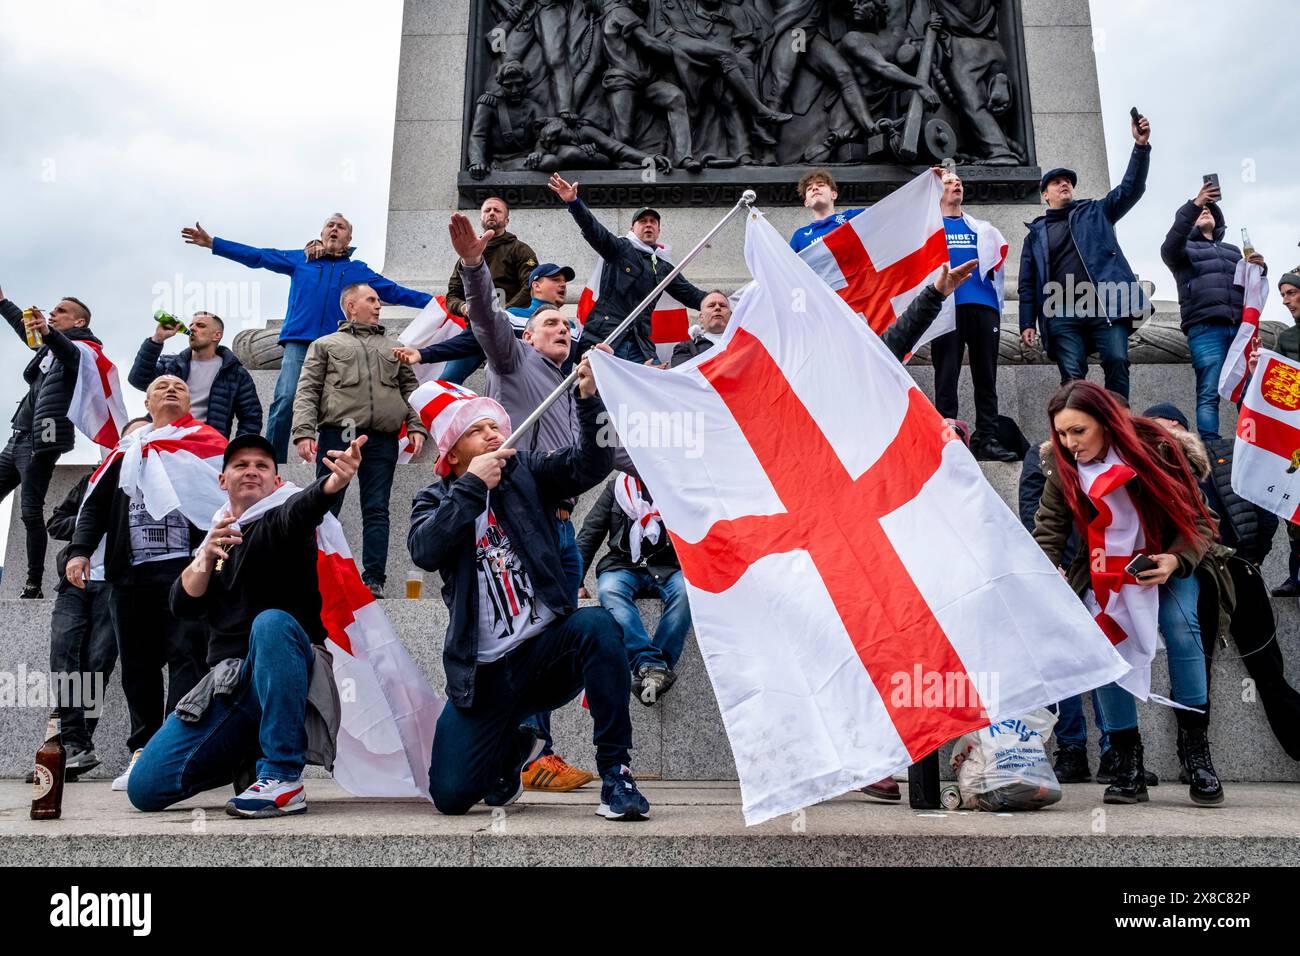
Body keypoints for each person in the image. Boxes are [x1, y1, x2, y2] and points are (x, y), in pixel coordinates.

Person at [408, 366, 651, 821]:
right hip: (484, 675)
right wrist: (472, 487)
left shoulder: (527, 472)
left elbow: (590, 465)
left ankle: (616, 772)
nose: (492, 433)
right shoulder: (434, 499)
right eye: (476, 430)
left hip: (544, 652)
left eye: (493, 426)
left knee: (598, 623)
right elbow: (426, 549)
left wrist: (588, 400)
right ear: (454, 453)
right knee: (451, 797)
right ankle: (515, 746)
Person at [127, 433, 365, 818]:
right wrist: (205, 556)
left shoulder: (281, 521)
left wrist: (331, 484)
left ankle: (283, 775)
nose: (251, 471)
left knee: (271, 624)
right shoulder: (218, 537)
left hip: (285, 672)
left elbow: (301, 510)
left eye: (262, 466)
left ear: (275, 480)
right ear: (223, 480)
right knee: (144, 789)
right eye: (241, 465)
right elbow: (182, 605)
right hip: (230, 687)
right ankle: (244, 756)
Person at [446, 213, 597, 793]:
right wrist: (473, 267)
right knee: (530, 637)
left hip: (564, 530)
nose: (561, 328)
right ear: (529, 334)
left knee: (560, 639)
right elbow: (485, 321)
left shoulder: (575, 386)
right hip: (519, 528)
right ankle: (531, 751)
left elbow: (607, 455)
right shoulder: (512, 365)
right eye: (550, 321)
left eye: (567, 324)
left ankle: (525, 746)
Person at [1032, 381, 1233, 806]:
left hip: (1170, 559)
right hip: (1103, 571)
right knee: (1105, 643)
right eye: (1063, 434)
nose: (1070, 444)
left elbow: (1201, 520)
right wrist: (1048, 569)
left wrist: (1174, 562)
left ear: (1106, 423)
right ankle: (1127, 763)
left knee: (1182, 628)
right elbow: (1049, 528)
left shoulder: (1157, 449)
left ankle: (1196, 754)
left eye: (1079, 432)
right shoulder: (1062, 466)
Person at [66, 376, 222, 792]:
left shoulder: (209, 445)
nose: (171, 389)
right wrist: (80, 550)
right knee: (137, 666)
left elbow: (225, 504)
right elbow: (94, 506)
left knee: (188, 659)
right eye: (161, 385)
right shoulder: (126, 451)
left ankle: (177, 748)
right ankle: (144, 749)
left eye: (179, 386)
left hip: (187, 573)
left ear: (191, 402)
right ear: (148, 401)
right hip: (129, 576)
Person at [181, 213, 432, 462]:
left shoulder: (358, 271)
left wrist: (441, 304)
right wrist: (214, 243)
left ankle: (331, 459)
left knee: (335, 406)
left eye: (341, 227)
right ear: (322, 234)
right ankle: (274, 461)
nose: (334, 229)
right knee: (286, 398)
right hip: (299, 342)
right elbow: (259, 256)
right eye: (330, 225)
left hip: (338, 347)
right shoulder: (301, 259)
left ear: (349, 237)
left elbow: (397, 293)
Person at [25, 416, 152, 784]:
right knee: (63, 652)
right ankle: (75, 743)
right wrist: (90, 525)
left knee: (98, 662)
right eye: (127, 440)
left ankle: (74, 746)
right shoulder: (94, 480)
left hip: (116, 584)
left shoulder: (151, 485)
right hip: (75, 581)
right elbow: (55, 521)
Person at [291, 283, 427, 599]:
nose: (379, 305)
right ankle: (316, 572)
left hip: (383, 438)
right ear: (351, 306)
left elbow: (411, 390)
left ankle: (374, 579)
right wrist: (303, 432)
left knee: (377, 508)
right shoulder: (325, 344)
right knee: (325, 506)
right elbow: (307, 389)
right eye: (372, 300)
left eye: (378, 300)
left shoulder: (394, 346)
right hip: (339, 434)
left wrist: (416, 425)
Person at [1019, 112, 1153, 400]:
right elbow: (1027, 284)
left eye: (1068, 181)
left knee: (1117, 360)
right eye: (1056, 182)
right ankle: (1079, 426)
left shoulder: (1096, 211)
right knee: (1072, 376)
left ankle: (1119, 423)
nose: (1064, 184)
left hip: (1103, 301)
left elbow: (1131, 189)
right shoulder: (1035, 235)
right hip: (1060, 307)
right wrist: (1026, 323)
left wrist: (1141, 147)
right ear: (1045, 194)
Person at [0, 294, 101, 598]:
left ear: (79, 321)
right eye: (53, 311)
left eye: (61, 311)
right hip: (18, 436)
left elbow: (66, 350)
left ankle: (33, 583)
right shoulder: (48, 348)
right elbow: (27, 332)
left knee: (31, 511)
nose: (53, 313)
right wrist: (3, 302)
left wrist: (47, 332)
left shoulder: (82, 350)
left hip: (41, 441)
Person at [548, 173, 706, 364]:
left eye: (653, 222)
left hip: (642, 345)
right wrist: (574, 203)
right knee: (599, 392)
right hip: (608, 337)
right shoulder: (621, 247)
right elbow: (594, 230)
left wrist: (729, 304)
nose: (648, 225)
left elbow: (694, 296)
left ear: (658, 230)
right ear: (632, 229)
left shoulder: (663, 267)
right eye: (642, 221)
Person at [1159, 181, 1268, 440]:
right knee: (1209, 389)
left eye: (1209, 209)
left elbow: (1248, 290)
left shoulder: (1233, 252)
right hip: (1206, 328)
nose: (1205, 211)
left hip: (1239, 329)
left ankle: (1251, 442)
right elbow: (1170, 245)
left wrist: (1261, 269)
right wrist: (1194, 203)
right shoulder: (1183, 251)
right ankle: (1210, 443)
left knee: (1246, 389)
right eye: (1199, 211)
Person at [929, 167, 1018, 462]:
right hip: (945, 310)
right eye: (949, 183)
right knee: (946, 375)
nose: (956, 186)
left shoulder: (983, 229)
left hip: (983, 307)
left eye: (959, 183)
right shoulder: (928, 230)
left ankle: (987, 438)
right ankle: (948, 435)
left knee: (986, 377)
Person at [577, 473, 690, 705]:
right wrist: (574, 582)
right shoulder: (616, 488)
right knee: (609, 589)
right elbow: (590, 532)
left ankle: (653, 670)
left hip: (667, 568)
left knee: (686, 592)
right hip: (623, 565)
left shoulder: (678, 485)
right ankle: (651, 665)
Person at [391, 262, 577, 374]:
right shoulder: (509, 318)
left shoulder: (574, 329)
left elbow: (593, 357)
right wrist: (423, 354)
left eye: (564, 282)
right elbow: (469, 341)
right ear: (536, 286)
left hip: (560, 410)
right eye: (555, 280)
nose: (562, 285)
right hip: (519, 405)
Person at [128, 311, 262, 439]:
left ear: (217, 335)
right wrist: (157, 339)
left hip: (205, 445)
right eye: (191, 325)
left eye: (200, 325)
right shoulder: (171, 364)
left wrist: (237, 450)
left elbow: (251, 417)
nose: (192, 329)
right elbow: (138, 380)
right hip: (163, 438)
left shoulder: (235, 373)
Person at [1264, 266, 1300, 596]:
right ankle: (1296, 576)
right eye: (1283, 295)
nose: (1287, 301)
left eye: (1292, 293)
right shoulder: (1286, 338)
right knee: (1294, 513)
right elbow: (1277, 393)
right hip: (1295, 439)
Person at [789, 168, 863, 253]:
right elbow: (787, 264)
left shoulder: (852, 218)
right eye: (809, 188)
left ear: (833, 195)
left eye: (820, 185)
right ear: (806, 202)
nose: (815, 188)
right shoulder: (799, 236)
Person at [671, 291, 731, 367]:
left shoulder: (747, 343)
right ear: (701, 317)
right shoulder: (686, 348)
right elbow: (681, 376)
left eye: (722, 305)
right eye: (711, 306)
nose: (717, 308)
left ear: (731, 315)